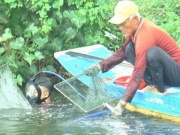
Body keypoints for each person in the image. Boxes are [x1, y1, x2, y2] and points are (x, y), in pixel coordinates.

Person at [84, 1, 180, 116]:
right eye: (119, 24)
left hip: (176, 75)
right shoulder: (137, 28)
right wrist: (99, 66)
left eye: (123, 23)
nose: (120, 28)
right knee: (129, 48)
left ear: (134, 19)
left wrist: (122, 103)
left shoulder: (146, 34)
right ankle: (152, 84)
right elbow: (122, 52)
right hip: (166, 73)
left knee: (152, 53)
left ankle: (160, 89)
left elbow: (137, 74)